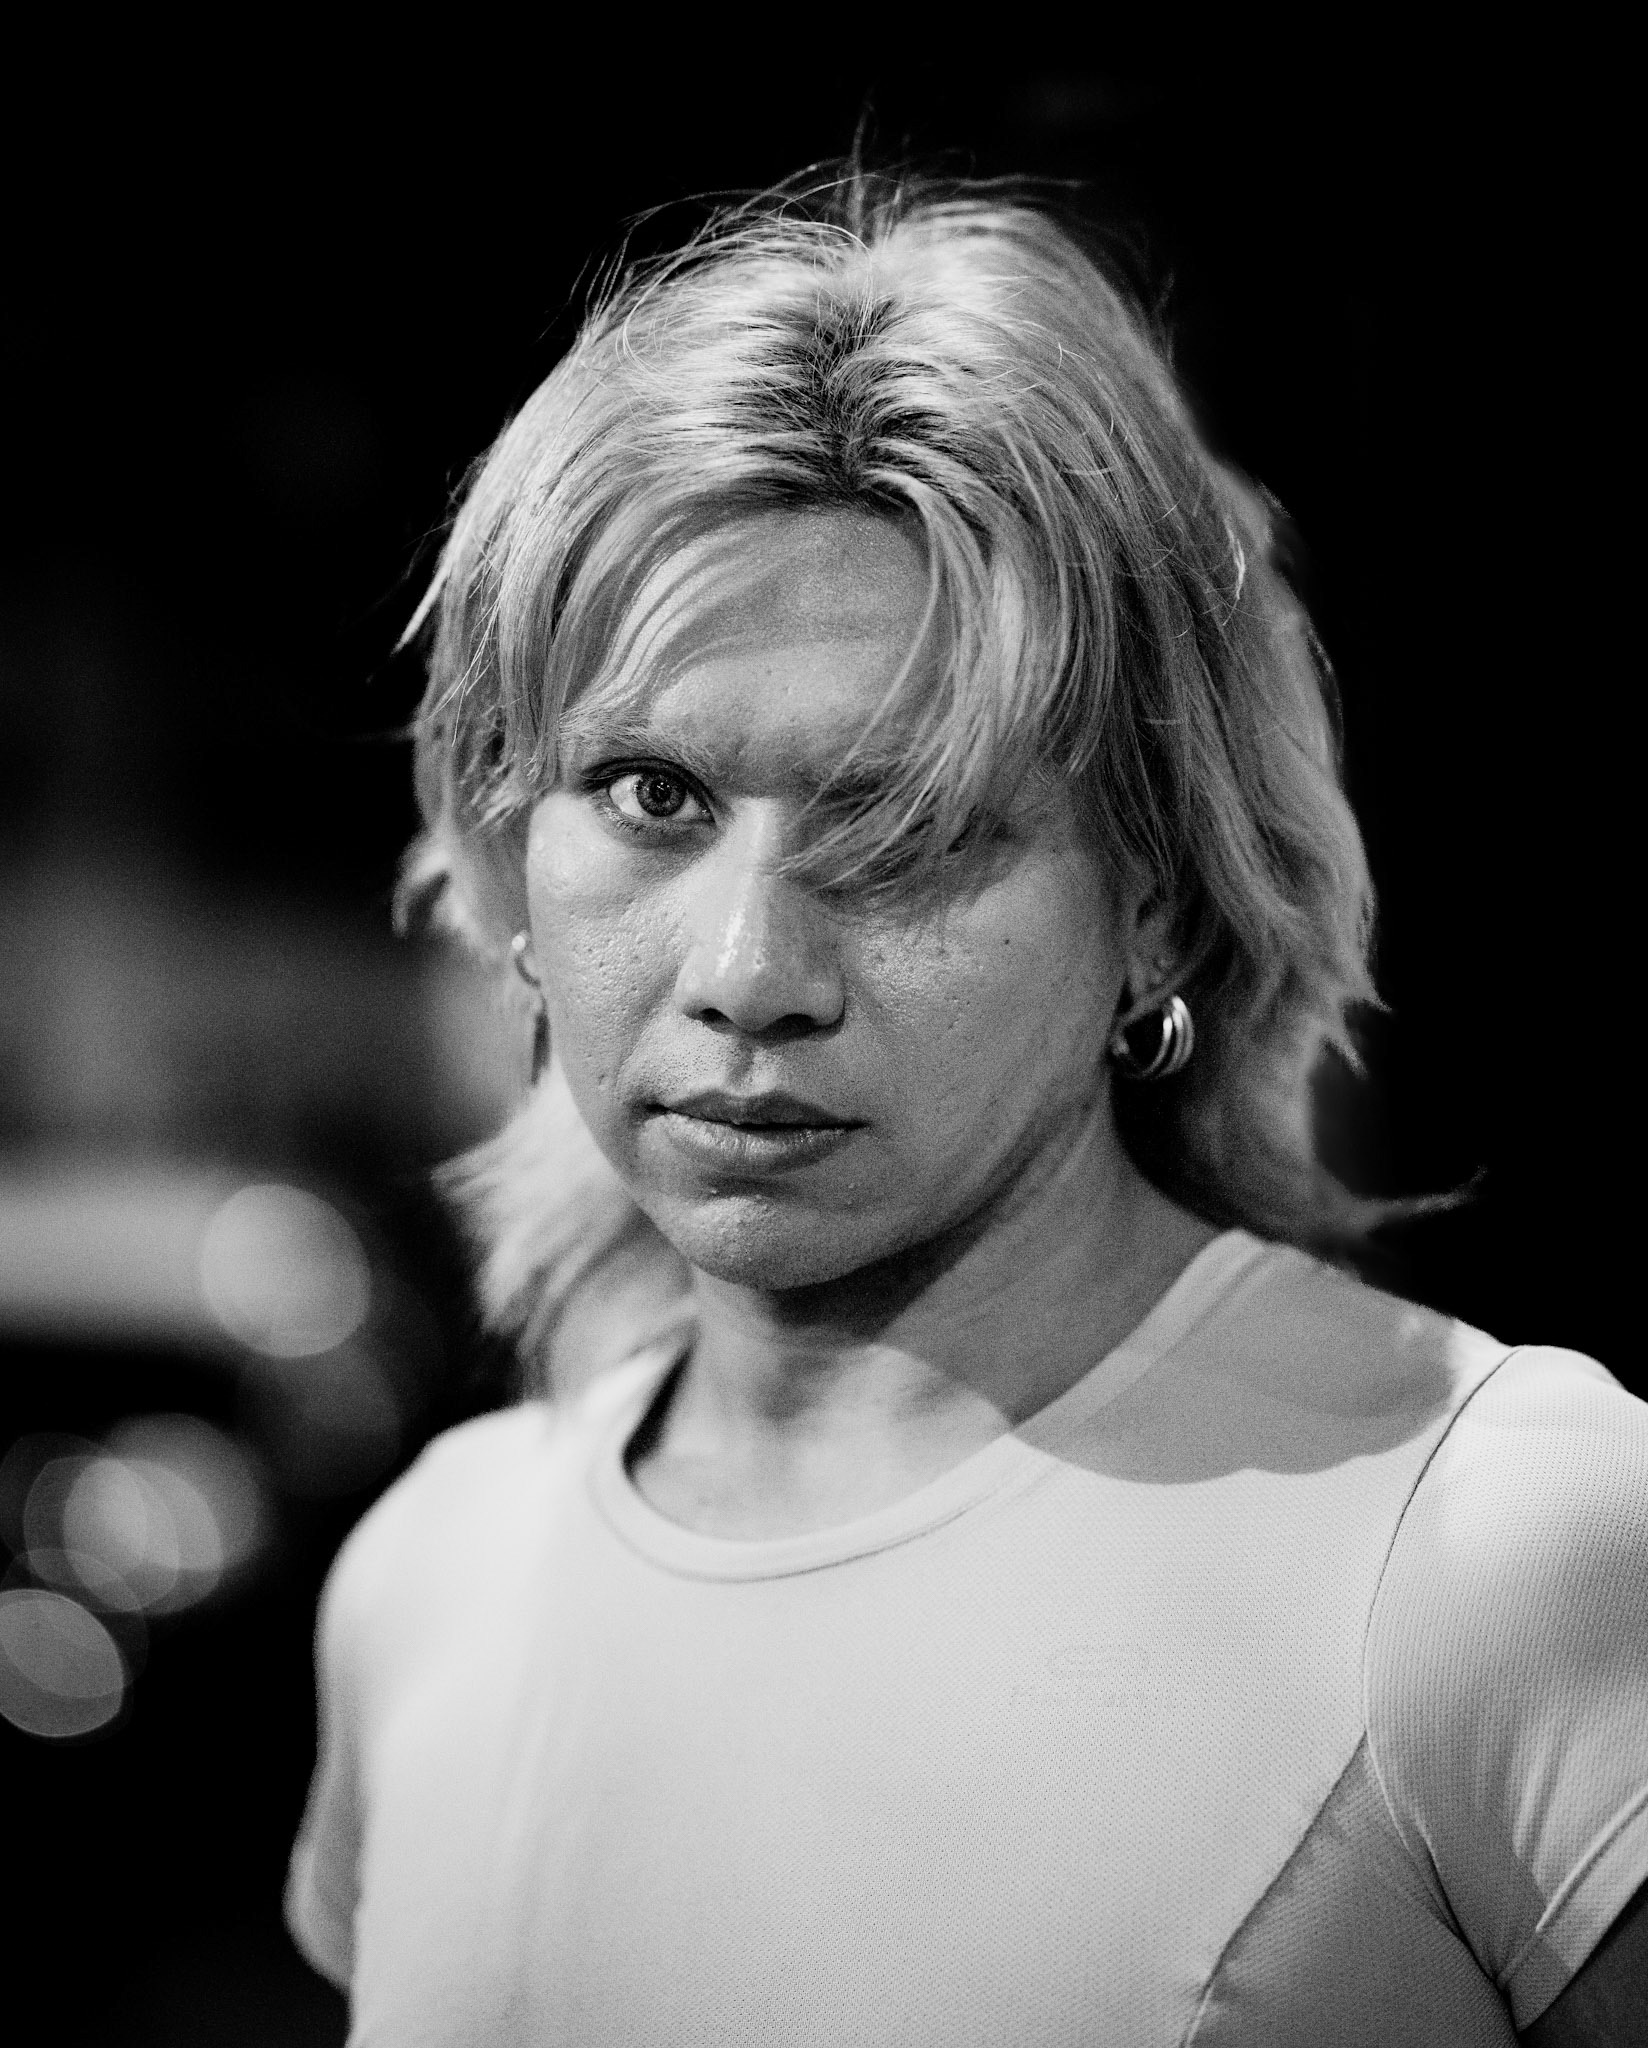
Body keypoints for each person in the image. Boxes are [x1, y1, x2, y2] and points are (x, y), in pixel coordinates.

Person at [285, 170, 1648, 2044]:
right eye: (654, 795)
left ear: (1157, 902)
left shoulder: (1494, 1536)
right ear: (509, 858)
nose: (750, 968)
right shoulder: (430, 1577)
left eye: (910, 825)